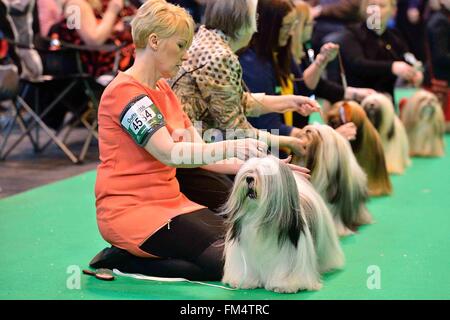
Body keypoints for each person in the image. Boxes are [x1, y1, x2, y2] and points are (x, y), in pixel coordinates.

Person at [91, 0, 310, 280]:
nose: (185, 56)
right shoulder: (124, 93)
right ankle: (122, 260)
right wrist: (230, 145)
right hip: (131, 212)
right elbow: (169, 153)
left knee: (242, 250)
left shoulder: (163, 90)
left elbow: (203, 153)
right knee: (228, 264)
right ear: (154, 41)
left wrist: (267, 168)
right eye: (181, 45)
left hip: (172, 203)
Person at [172, 0, 321, 159]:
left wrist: (290, 102)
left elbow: (236, 101)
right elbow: (237, 130)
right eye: (254, 17)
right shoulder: (220, 57)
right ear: (244, 22)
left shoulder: (207, 38)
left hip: (194, 146)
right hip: (192, 153)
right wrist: (289, 142)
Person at [239, 0, 360, 140]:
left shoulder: (281, 52)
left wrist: (320, 62)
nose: (291, 32)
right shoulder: (252, 66)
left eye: (294, 25)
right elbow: (271, 127)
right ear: (269, 26)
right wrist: (327, 138)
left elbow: (303, 88)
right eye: (286, 26)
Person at [337, 0, 424, 100]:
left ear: (393, 11)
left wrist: (415, 73)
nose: (376, 10)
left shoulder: (395, 36)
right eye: (372, 5)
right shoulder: (351, 34)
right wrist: (392, 67)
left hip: (389, 99)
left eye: (382, 6)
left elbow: (407, 58)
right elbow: (358, 64)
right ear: (364, 9)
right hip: (360, 100)